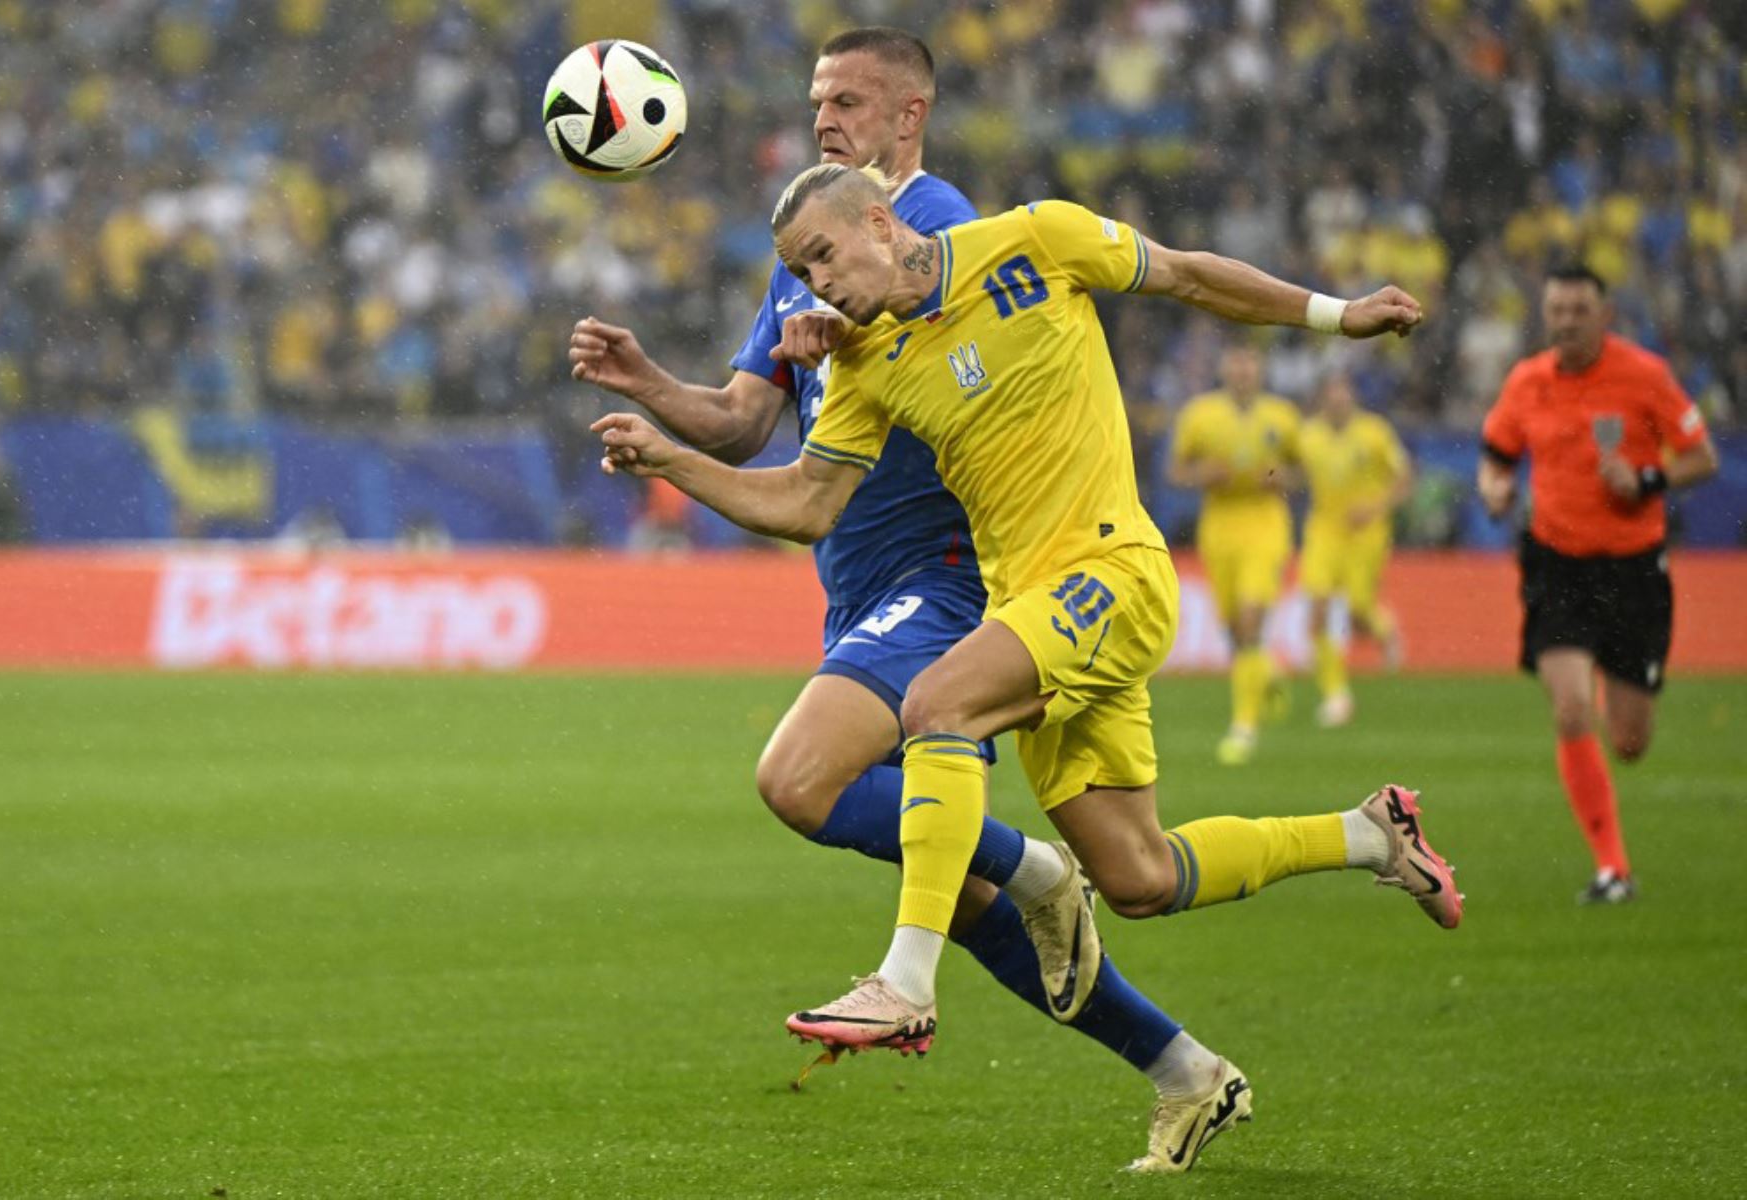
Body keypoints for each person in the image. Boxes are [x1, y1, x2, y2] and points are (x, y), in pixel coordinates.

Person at [593, 163, 1461, 1172]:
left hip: (1112, 573)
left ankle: (906, 981)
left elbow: (1182, 276)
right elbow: (805, 503)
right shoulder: (869, 362)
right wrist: (669, 459)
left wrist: (1335, 314)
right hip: (1030, 617)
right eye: (797, 270)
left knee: (938, 703)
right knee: (1138, 876)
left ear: (882, 220)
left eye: (824, 255)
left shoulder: (1034, 239)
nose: (816, 283)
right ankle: (1369, 836)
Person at [569, 28, 1234, 1166]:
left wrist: (858, 325)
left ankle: (1028, 869)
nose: (824, 115)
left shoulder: (932, 232)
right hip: (857, 590)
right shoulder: (806, 241)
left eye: (848, 99)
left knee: (799, 779)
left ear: (907, 116)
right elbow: (745, 419)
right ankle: (1185, 1067)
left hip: (948, 578)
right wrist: (652, 385)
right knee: (965, 897)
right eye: (816, 97)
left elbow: (936, 356)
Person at [1477, 263, 1718, 904]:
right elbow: (1495, 458)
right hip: (1557, 565)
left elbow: (1702, 456)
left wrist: (1645, 483)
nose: (1565, 321)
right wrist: (1496, 490)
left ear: (1604, 314)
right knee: (1570, 707)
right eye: (1556, 309)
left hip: (1635, 569)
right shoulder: (1527, 381)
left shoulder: (1645, 376)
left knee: (1631, 742)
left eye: (1579, 310)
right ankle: (1613, 868)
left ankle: (1615, 693)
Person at [1166, 342, 1300, 764]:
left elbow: (1300, 472)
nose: (1243, 372)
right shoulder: (1200, 415)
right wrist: (1204, 474)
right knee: (1235, 631)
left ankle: (1243, 728)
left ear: (1259, 371)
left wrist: (1276, 478)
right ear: (1226, 369)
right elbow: (1175, 470)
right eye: (1237, 364)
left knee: (1248, 618)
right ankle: (1269, 671)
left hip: (1266, 524)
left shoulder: (1282, 417)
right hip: (1219, 528)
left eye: (1250, 364)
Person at [1296, 371, 1412, 727]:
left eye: (1343, 394)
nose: (1338, 401)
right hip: (1323, 531)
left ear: (1353, 397)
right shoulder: (1307, 436)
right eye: (1331, 395)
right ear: (1323, 400)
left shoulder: (1374, 433)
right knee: (1316, 613)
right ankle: (1336, 695)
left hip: (1366, 534)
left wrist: (1374, 508)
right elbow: (1286, 469)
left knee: (1358, 610)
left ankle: (1384, 629)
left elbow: (1405, 480)